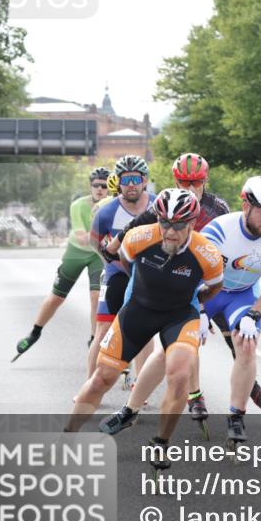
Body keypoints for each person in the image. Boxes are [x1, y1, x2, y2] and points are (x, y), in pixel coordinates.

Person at [101, 176, 261, 442]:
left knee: (247, 344)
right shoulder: (220, 230)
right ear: (246, 206)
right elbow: (189, 272)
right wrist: (199, 311)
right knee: (169, 351)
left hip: (242, 294)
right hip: (203, 291)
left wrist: (254, 314)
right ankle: (129, 410)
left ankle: (236, 417)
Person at [65, 189, 223, 465]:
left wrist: (197, 306)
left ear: (192, 223)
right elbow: (127, 264)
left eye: (178, 225)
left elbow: (214, 287)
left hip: (179, 315)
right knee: (102, 378)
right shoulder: (138, 237)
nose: (170, 232)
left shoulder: (207, 253)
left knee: (179, 375)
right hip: (140, 309)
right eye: (164, 223)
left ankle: (160, 444)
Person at [13, 167, 110, 361]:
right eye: (96, 185)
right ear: (90, 187)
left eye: (104, 186)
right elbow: (82, 237)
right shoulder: (78, 205)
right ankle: (35, 332)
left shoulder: (112, 205)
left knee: (96, 296)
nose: (100, 189)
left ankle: (94, 340)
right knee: (57, 297)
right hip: (76, 252)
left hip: (97, 254)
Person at [86, 155, 155, 381]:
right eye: (126, 180)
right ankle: (89, 385)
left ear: (145, 180)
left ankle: (140, 386)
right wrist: (112, 262)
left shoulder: (158, 205)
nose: (131, 184)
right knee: (103, 330)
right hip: (117, 275)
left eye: (136, 179)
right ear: (118, 182)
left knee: (145, 331)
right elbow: (94, 242)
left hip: (148, 278)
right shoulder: (107, 212)